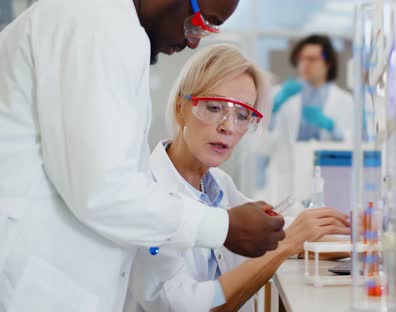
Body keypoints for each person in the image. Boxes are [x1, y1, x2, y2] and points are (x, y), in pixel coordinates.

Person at [0, 1, 285, 311]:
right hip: (32, 287)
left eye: (244, 115)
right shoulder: (94, 20)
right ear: (181, 107)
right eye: (201, 22)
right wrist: (223, 228)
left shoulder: (113, 30)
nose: (193, 41)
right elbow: (103, 190)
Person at [125, 44, 350, 312]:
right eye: (214, 107)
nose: (229, 127)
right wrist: (285, 246)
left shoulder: (218, 185)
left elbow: (280, 229)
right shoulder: (146, 192)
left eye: (242, 115)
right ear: (180, 108)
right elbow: (187, 306)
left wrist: (358, 235)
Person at [260, 34, 354, 205]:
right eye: (301, 59)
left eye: (311, 59)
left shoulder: (345, 101)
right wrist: (272, 110)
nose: (305, 64)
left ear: (328, 62)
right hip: (284, 181)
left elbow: (352, 145)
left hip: (326, 179)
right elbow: (262, 146)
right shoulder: (280, 95)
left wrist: (332, 127)